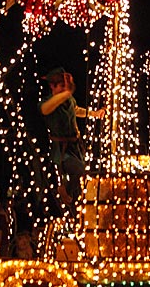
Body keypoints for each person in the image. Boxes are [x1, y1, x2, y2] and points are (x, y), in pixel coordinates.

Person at [38, 67, 105, 208]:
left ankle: (72, 199)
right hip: (61, 152)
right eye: (61, 86)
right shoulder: (49, 102)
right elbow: (45, 109)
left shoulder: (69, 100)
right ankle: (66, 192)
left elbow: (76, 110)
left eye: (65, 86)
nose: (64, 90)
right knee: (80, 170)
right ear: (52, 86)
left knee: (82, 177)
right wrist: (66, 92)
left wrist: (94, 114)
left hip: (74, 147)